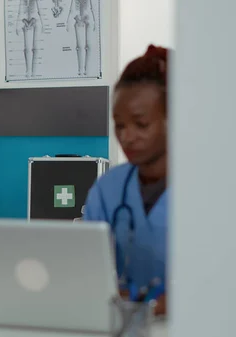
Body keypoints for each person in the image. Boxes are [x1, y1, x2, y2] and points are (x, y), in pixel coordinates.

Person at [83, 45, 169, 315]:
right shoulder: (108, 189)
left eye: (141, 124)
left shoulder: (215, 189)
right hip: (123, 325)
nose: (127, 136)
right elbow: (86, 268)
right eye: (119, 125)